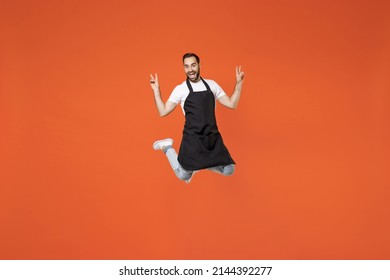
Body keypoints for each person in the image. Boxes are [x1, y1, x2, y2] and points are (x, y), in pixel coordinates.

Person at [150, 53, 244, 183]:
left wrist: (239, 83)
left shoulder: (212, 85)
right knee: (184, 176)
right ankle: (167, 147)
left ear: (199, 65)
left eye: (193, 65)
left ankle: (200, 165)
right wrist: (156, 90)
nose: (190, 70)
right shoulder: (181, 89)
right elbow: (163, 111)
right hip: (193, 139)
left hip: (212, 138)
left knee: (229, 170)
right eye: (186, 66)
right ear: (184, 68)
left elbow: (231, 103)